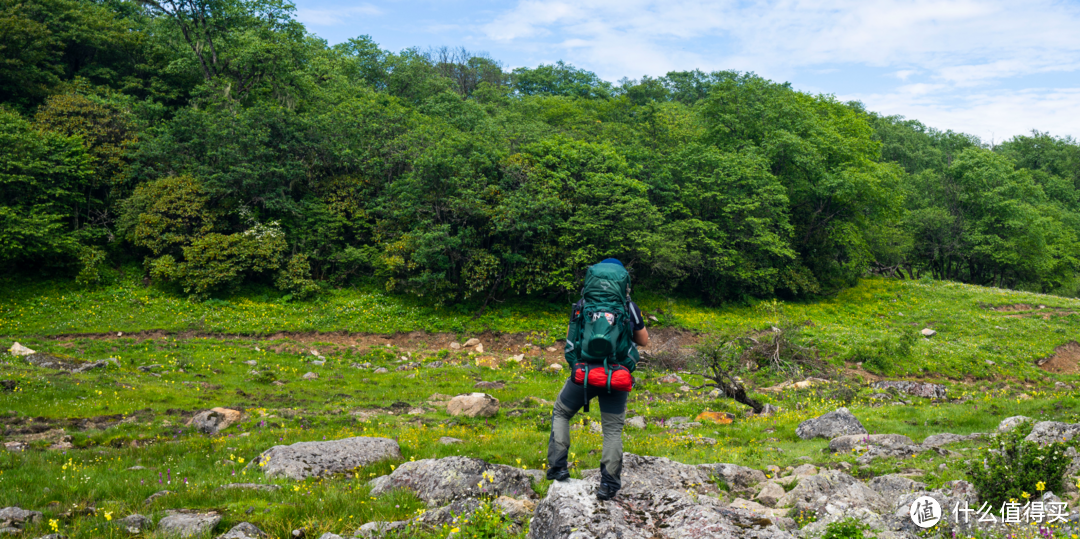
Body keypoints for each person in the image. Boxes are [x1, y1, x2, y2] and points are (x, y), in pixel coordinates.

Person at [545, 258, 649, 501]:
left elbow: (573, 340)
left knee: (561, 412)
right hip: (617, 374)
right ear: (623, 282)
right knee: (612, 430)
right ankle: (608, 485)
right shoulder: (628, 306)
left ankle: (558, 466)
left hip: (585, 374)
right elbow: (643, 341)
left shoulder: (583, 303)